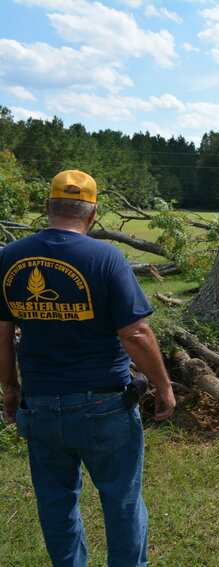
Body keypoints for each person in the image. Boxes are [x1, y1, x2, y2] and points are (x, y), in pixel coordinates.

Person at [0, 169, 176, 567]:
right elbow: (135, 334)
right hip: (104, 404)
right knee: (122, 499)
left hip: (40, 403)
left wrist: (10, 389)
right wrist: (164, 388)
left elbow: (2, 333)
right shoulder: (106, 256)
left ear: (47, 207)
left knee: (55, 501)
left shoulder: (10, 257)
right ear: (93, 213)